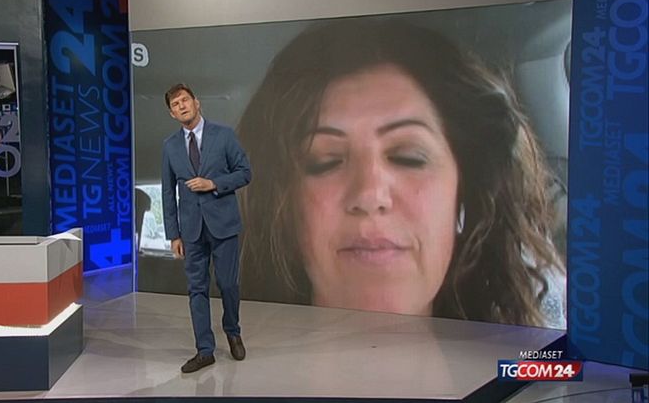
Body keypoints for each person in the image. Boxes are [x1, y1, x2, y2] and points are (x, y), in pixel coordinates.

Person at [236, 18, 566, 328]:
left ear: (464, 193)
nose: (370, 194)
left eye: (409, 158)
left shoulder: (536, 360)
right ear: (284, 206)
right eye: (325, 161)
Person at [161, 83, 252, 373]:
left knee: (228, 284)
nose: (182, 106)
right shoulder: (170, 146)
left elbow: (245, 173)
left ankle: (233, 331)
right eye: (175, 105)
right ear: (172, 113)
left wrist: (214, 183)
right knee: (196, 289)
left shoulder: (223, 135)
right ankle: (204, 350)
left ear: (196, 102)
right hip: (191, 230)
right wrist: (173, 234)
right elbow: (167, 193)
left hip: (223, 225)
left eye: (185, 100)